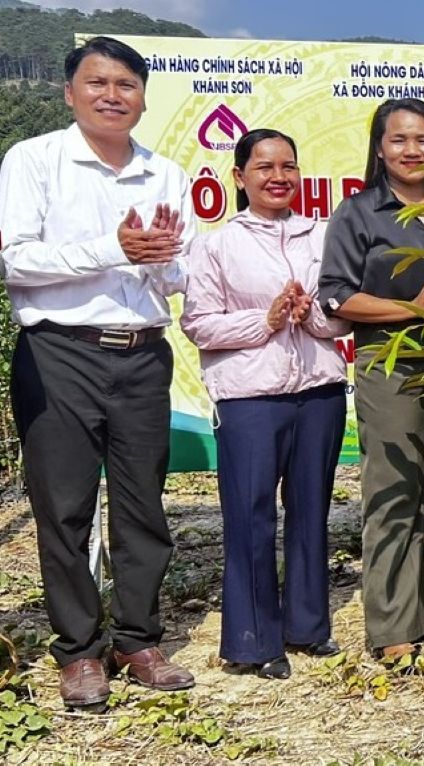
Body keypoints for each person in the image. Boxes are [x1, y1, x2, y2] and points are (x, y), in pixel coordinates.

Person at [0, 36, 196, 708]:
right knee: (65, 509)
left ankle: (138, 639)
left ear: (143, 98)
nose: (112, 96)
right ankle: (79, 653)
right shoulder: (35, 160)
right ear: (69, 92)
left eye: (126, 86)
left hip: (142, 353)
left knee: (143, 505)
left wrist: (160, 258)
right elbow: (17, 261)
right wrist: (111, 249)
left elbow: (179, 277)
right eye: (98, 83)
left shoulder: (165, 174)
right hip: (60, 351)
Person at [181, 129, 349, 679]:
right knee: (250, 517)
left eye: (289, 167)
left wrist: (311, 313)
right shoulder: (216, 244)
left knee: (310, 512)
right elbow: (198, 323)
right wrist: (267, 320)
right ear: (239, 177)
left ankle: (307, 627)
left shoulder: (323, 236)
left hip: (320, 393)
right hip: (252, 399)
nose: (278, 178)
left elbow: (341, 314)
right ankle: (252, 641)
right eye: (264, 168)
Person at [319, 99, 424, 661]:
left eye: (423, 139)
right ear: (380, 149)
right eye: (400, 140)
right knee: (395, 489)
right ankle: (392, 626)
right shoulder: (359, 213)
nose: (413, 150)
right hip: (390, 363)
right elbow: (336, 294)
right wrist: (413, 309)